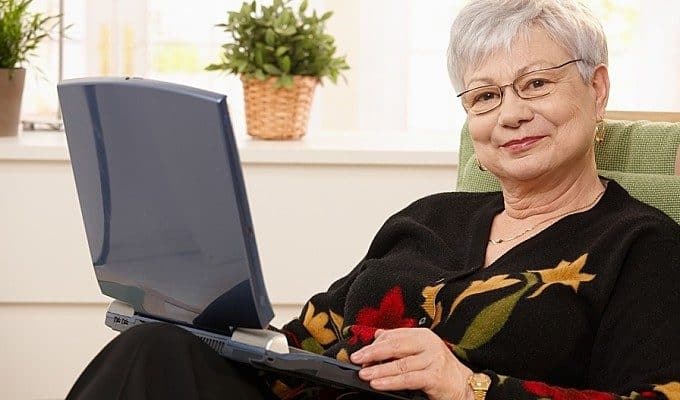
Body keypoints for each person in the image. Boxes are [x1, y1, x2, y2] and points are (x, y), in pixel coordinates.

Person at [66, 0, 680, 399]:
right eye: (485, 97)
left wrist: (467, 386)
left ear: (596, 88)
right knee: (153, 350)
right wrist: (213, 329)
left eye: (537, 84)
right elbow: (304, 343)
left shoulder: (642, 245)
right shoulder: (428, 218)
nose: (512, 114)